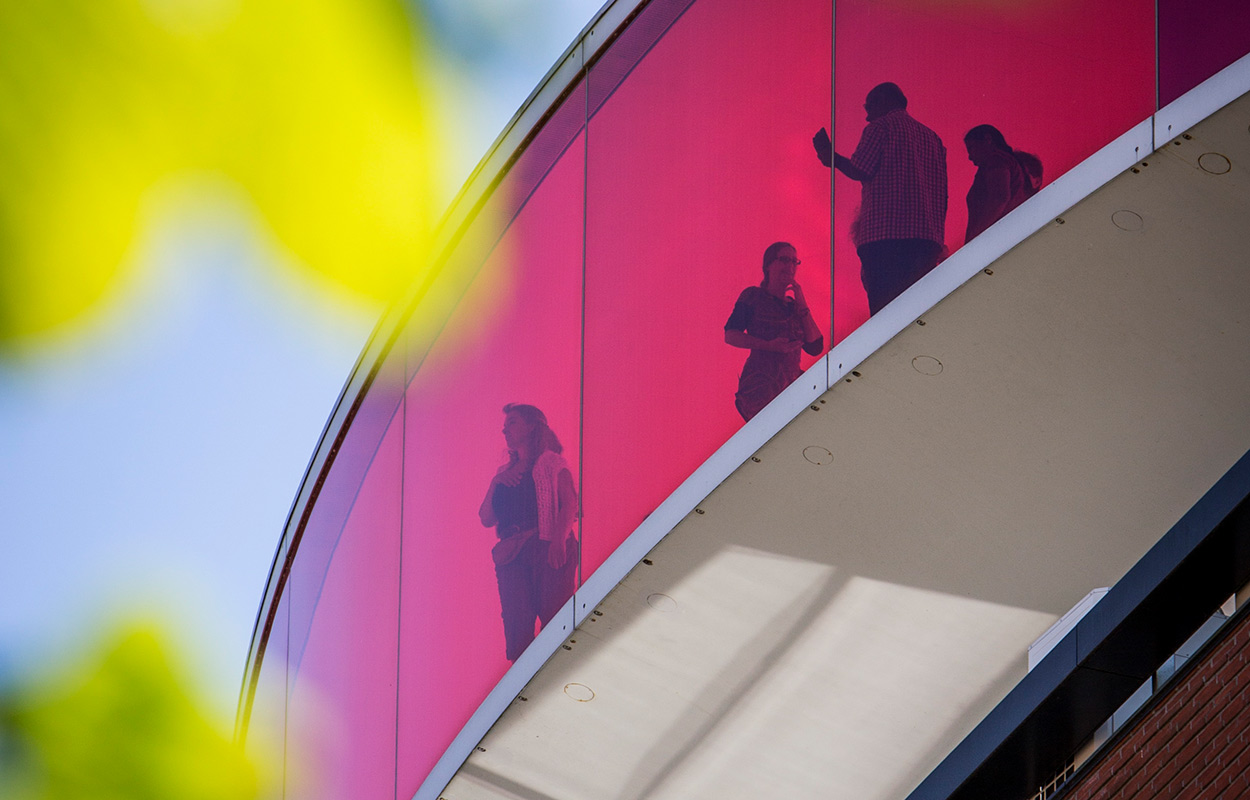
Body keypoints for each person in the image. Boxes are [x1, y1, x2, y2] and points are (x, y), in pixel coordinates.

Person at [814, 82, 948, 315]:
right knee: (919, 313)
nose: (867, 117)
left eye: (869, 107)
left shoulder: (880, 127)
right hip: (926, 241)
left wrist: (831, 157)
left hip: (885, 239)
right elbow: (943, 193)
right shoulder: (933, 138)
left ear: (884, 101)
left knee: (885, 316)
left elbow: (860, 169)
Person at [478, 403, 578, 662]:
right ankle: (522, 679)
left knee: (553, 613)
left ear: (532, 426)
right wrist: (494, 483)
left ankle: (556, 670)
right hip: (510, 554)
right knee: (516, 620)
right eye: (505, 425)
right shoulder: (502, 474)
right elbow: (486, 518)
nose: (505, 430)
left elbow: (570, 502)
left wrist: (558, 540)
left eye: (512, 422)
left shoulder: (550, 462)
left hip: (542, 546)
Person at [725, 241, 824, 421]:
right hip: (760, 385)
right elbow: (731, 335)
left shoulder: (795, 307)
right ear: (768, 265)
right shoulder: (753, 296)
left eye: (794, 262)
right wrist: (768, 346)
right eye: (784, 260)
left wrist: (802, 302)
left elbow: (815, 346)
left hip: (791, 387)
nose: (790, 266)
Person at [963, 124, 1040, 244]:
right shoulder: (1000, 163)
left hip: (993, 240)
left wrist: (975, 238)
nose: (969, 157)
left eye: (971, 148)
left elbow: (999, 198)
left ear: (988, 140)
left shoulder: (996, 160)